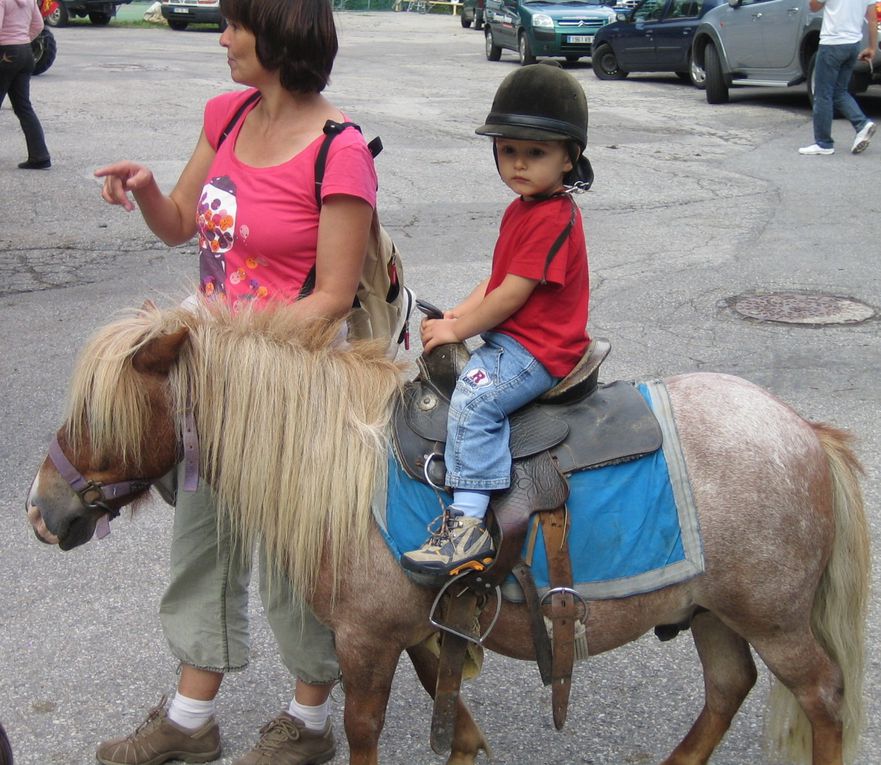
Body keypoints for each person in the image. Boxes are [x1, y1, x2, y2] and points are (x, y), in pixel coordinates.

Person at [92, 0, 379, 762]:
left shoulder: (339, 150)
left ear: (279, 35)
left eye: (233, 24)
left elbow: (331, 299)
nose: (221, 38)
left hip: (289, 386)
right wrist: (150, 189)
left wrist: (233, 347)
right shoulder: (225, 115)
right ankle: (191, 718)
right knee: (203, 543)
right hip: (212, 380)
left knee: (294, 560)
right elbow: (184, 220)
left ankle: (308, 722)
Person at [401, 61, 592, 576]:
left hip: (540, 350)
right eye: (509, 151)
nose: (519, 165)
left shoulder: (554, 217)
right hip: (514, 338)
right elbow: (494, 280)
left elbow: (510, 295)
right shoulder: (522, 209)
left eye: (536, 153)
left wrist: (457, 330)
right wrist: (457, 313)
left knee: (475, 400)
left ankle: (468, 524)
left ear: (570, 158)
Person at [799, 0, 877, 155]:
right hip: (853, 44)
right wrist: (872, 47)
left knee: (822, 94)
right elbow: (873, 18)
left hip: (832, 43)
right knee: (839, 92)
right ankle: (862, 125)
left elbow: (814, 7)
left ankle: (823, 143)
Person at [0, 0, 51, 169]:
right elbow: (38, 24)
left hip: (6, 53)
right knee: (23, 107)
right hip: (25, 52)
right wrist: (22, 40)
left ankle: (39, 156)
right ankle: (40, 155)